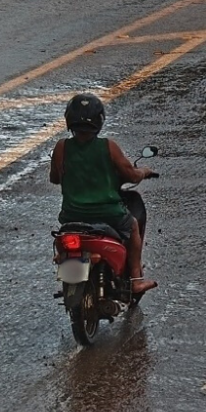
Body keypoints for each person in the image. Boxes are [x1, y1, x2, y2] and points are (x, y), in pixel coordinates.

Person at [49, 93, 158, 294]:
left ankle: (67, 266)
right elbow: (131, 175)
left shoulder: (61, 147)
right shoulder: (108, 146)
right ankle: (136, 279)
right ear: (99, 120)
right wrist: (144, 171)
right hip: (110, 214)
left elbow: (54, 178)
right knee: (133, 226)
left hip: (72, 216)